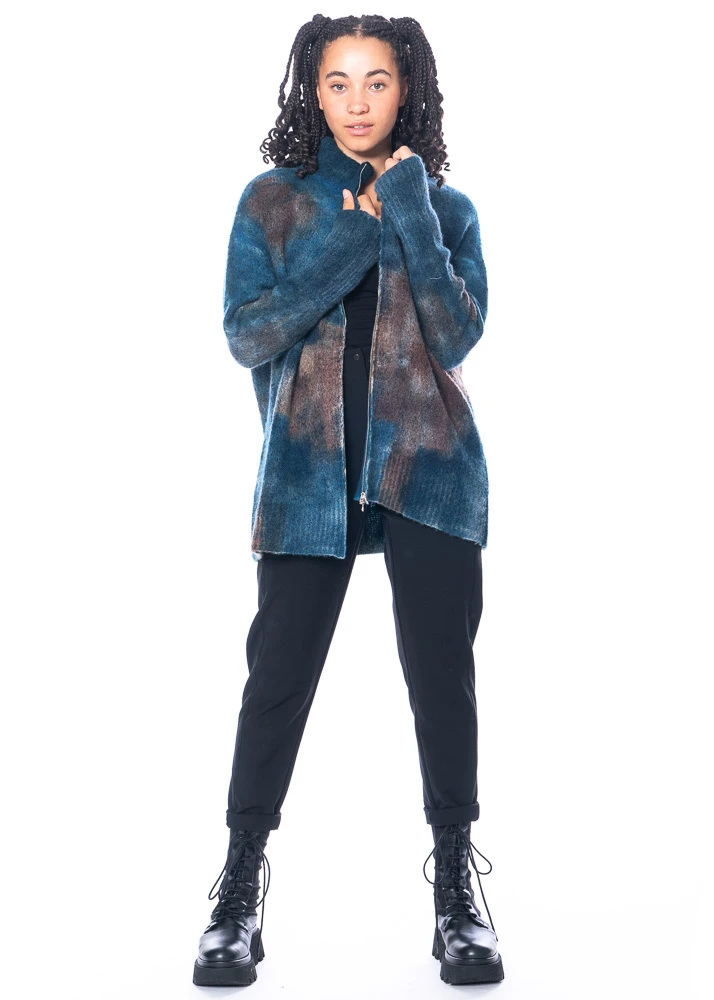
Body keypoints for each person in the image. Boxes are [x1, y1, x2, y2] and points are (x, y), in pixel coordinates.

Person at [193, 13, 504, 988]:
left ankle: (457, 891)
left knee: (442, 680)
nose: (358, 103)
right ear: (314, 91)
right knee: (276, 680)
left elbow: (455, 335)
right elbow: (249, 334)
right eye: (338, 83)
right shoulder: (275, 202)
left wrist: (406, 205)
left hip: (431, 473)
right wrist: (354, 238)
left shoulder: (445, 207)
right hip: (307, 477)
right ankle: (237, 889)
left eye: (377, 82)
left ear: (407, 90)